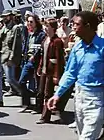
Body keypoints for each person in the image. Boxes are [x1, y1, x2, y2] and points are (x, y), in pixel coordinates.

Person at [47, 11, 104, 140]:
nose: (72, 27)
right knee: (82, 135)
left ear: (88, 26)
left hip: (96, 99)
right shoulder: (77, 48)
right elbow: (70, 73)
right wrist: (57, 95)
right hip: (79, 98)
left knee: (87, 138)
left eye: (76, 24)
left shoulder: (102, 47)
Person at [36, 18, 65, 124]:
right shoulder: (45, 39)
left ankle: (45, 117)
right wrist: (40, 67)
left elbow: (59, 59)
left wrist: (56, 75)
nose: (45, 28)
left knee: (48, 94)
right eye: (45, 26)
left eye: (47, 26)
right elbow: (42, 55)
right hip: (44, 69)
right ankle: (54, 109)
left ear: (53, 28)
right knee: (41, 91)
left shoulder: (57, 41)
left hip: (51, 71)